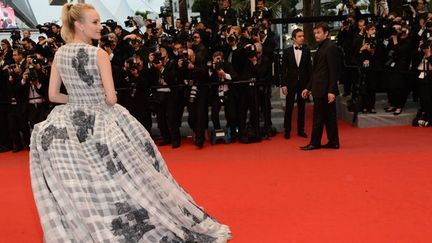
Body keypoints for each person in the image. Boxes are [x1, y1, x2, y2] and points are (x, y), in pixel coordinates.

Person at [29, 3, 231, 242]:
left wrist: (78, 100)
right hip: (103, 122)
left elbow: (53, 96)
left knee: (89, 183)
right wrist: (92, 99)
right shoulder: (99, 54)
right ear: (78, 25)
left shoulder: (59, 54)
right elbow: (111, 98)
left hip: (69, 123)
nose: (100, 26)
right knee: (131, 176)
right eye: (94, 22)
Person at [301, 22, 341, 150]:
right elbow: (316, 71)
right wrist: (308, 87)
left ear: (326, 33)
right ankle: (333, 142)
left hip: (325, 90)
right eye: (315, 33)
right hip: (319, 88)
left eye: (318, 33)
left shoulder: (331, 47)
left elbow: (333, 71)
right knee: (328, 117)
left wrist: (331, 91)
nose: (316, 35)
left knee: (319, 117)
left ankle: (315, 142)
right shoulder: (322, 47)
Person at [281, 28, 311, 139]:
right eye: (299, 36)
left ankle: (301, 130)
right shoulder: (287, 51)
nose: (302, 38)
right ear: (294, 38)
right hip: (290, 83)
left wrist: (309, 86)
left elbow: (309, 70)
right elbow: (283, 70)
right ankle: (287, 130)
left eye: (303, 36)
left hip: (303, 84)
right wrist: (283, 85)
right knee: (288, 107)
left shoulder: (307, 51)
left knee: (302, 107)